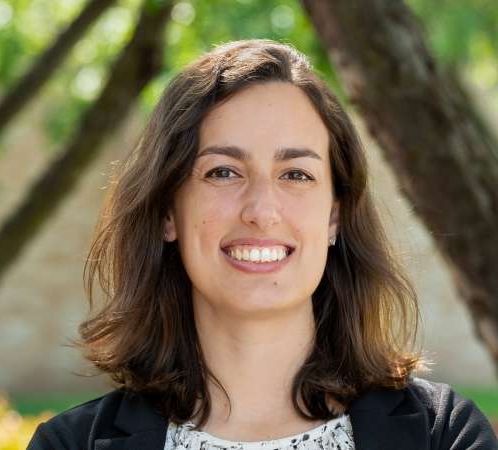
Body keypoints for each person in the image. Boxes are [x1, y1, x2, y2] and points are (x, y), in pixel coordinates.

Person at [27, 39, 498, 449]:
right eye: (223, 172)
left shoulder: (444, 436)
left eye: (296, 174)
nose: (261, 210)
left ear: (334, 215)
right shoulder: (69, 444)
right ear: (167, 211)